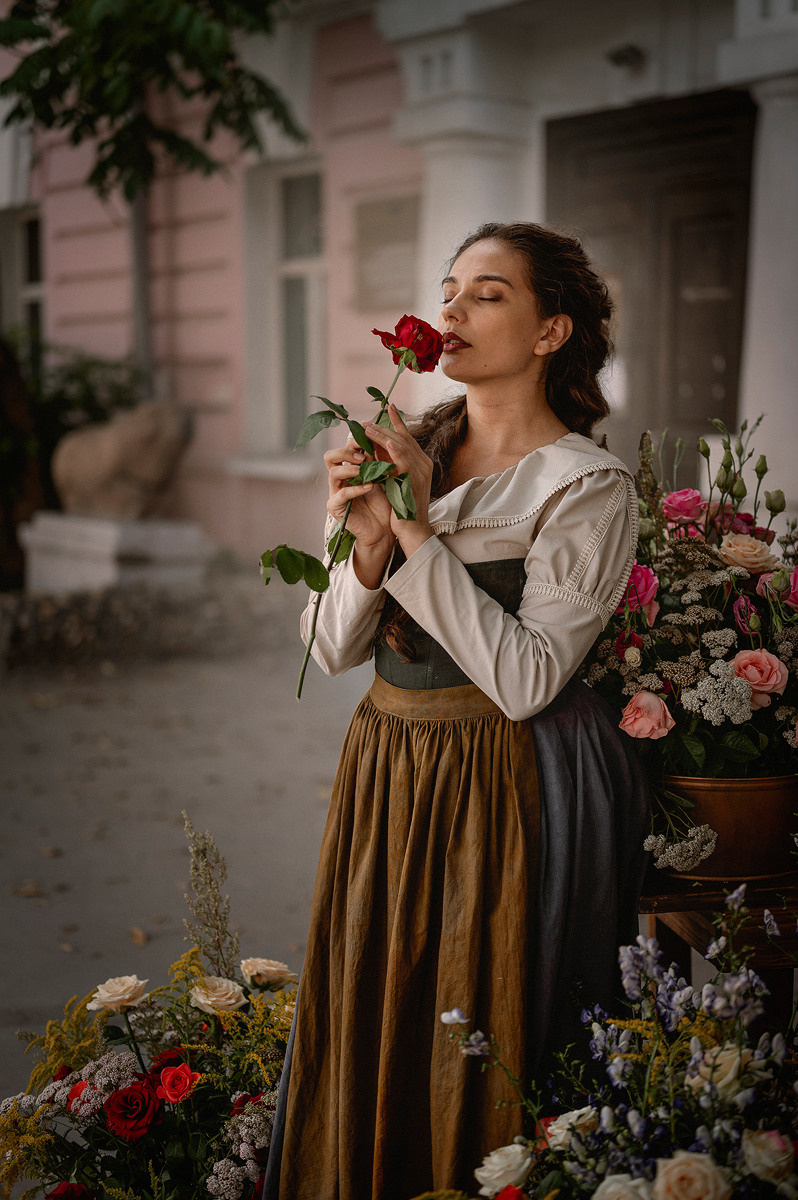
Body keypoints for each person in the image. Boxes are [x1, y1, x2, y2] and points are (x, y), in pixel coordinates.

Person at [262, 222, 649, 1200]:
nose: (452, 310)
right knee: (376, 998)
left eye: (487, 293)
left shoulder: (585, 485)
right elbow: (329, 647)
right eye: (448, 290)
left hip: (506, 782)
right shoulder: (406, 448)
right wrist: (363, 542)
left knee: (483, 1009)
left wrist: (418, 530)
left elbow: (524, 682)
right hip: (387, 767)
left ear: (552, 329)